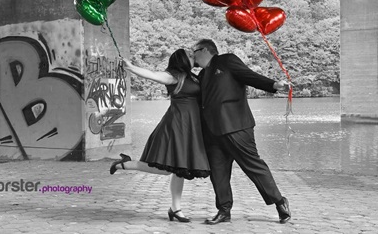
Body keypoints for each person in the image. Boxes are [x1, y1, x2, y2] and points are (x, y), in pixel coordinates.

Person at [192, 39, 291, 225]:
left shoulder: (227, 61)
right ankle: (223, 210)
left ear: (204, 50)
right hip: (212, 132)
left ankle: (279, 202)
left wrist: (274, 85)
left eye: (194, 51)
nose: (193, 55)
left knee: (252, 165)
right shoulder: (202, 75)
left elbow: (249, 76)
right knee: (218, 172)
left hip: (236, 126)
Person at [109, 48, 210, 223]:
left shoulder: (193, 76)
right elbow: (151, 75)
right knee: (165, 170)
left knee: (181, 169)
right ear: (181, 60)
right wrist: (131, 67)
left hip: (191, 127)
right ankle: (124, 165)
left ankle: (176, 209)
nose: (193, 57)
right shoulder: (173, 76)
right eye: (190, 56)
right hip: (176, 125)